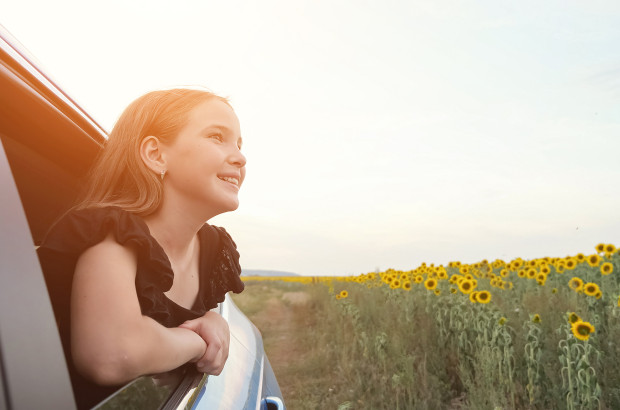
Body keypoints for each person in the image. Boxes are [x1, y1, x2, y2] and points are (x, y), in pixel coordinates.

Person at [37, 88, 247, 409]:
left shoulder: (215, 249)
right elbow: (110, 356)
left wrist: (213, 321)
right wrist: (197, 341)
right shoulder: (112, 233)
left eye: (239, 144)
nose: (239, 157)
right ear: (156, 154)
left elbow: (205, 318)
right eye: (217, 137)